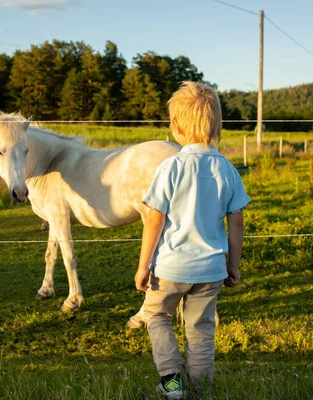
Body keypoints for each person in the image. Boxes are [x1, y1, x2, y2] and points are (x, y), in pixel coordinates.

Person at [135, 81, 250, 399]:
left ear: (176, 126)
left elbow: (155, 219)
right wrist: (233, 265)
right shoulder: (227, 169)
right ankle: (202, 391)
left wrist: (143, 266)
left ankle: (172, 382)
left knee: (156, 316)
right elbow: (237, 221)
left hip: (170, 269)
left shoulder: (170, 167)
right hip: (212, 270)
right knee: (201, 330)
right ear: (216, 125)